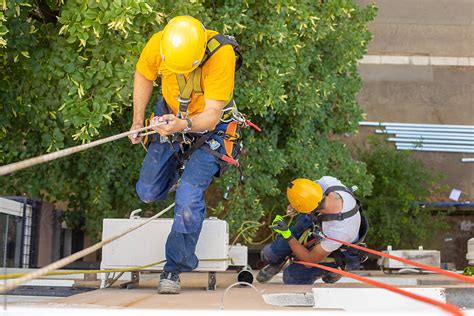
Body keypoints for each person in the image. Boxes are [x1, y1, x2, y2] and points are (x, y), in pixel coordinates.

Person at [128, 16, 242, 294]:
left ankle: (174, 267)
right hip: (170, 117)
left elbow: (213, 115)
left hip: (210, 130)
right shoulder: (162, 42)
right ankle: (180, 178)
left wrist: (184, 125)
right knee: (147, 192)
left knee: (189, 197)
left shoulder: (220, 53)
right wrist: (138, 120)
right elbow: (144, 75)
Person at [257, 177, 368, 284]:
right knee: (268, 254)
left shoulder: (339, 231)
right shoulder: (328, 182)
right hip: (318, 222)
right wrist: (295, 204)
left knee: (291, 277)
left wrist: (287, 234)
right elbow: (308, 192)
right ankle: (278, 263)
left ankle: (335, 269)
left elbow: (310, 260)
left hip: (338, 248)